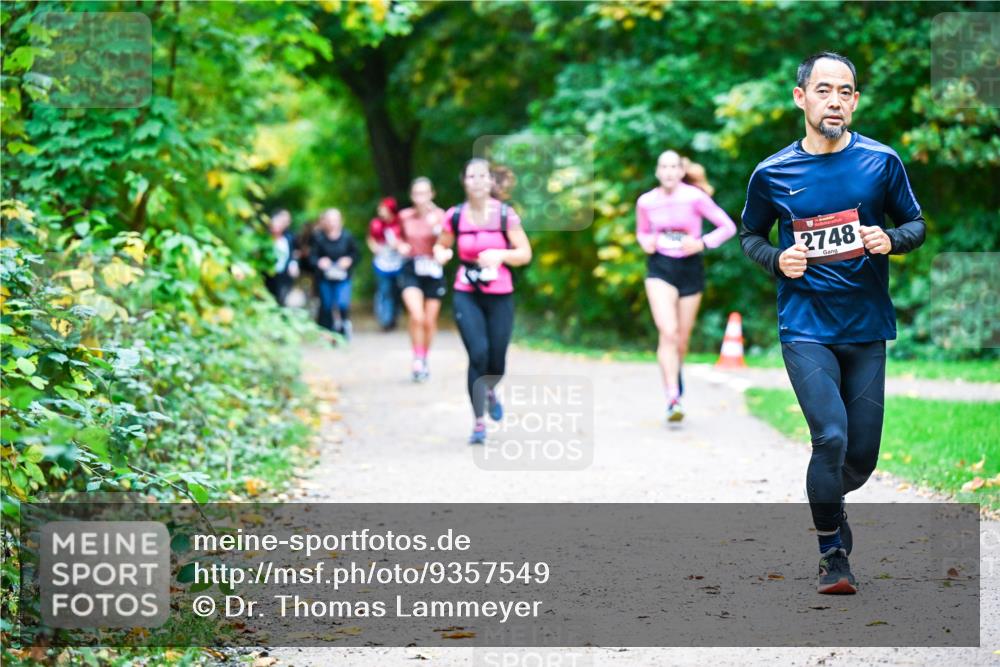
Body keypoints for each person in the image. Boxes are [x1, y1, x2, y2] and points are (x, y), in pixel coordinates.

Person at [740, 52, 926, 594]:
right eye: (824, 90)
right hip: (805, 328)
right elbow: (749, 234)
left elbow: (915, 223)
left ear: (855, 101)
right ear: (801, 97)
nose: (835, 101)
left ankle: (830, 500)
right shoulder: (773, 172)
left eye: (845, 91)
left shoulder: (881, 162)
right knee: (831, 437)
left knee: (860, 458)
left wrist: (890, 239)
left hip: (866, 327)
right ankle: (832, 555)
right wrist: (778, 258)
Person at [636, 150, 737, 423]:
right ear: (657, 171)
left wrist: (702, 243)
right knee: (667, 332)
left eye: (673, 167)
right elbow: (642, 231)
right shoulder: (646, 202)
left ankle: (674, 379)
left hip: (690, 269)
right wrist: (645, 241)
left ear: (681, 171)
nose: (668, 172)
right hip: (660, 268)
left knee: (680, 340)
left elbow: (727, 227)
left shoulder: (694, 197)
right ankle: (672, 396)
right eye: (663, 167)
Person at [438, 159, 532, 444]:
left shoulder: (505, 215)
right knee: (477, 353)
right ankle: (479, 422)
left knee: (496, 360)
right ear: (464, 181)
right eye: (471, 176)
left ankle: (491, 389)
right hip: (467, 291)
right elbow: (442, 245)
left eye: (482, 176)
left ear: (491, 181)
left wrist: (500, 255)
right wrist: (441, 253)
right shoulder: (454, 216)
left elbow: (524, 253)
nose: (477, 181)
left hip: (499, 293)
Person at [396, 178, 448, 382]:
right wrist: (400, 246)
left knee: (429, 320)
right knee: (416, 316)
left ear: (432, 194)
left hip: (433, 269)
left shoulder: (441, 216)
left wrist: (437, 227)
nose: (420, 198)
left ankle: (425, 357)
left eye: (424, 193)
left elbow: (447, 241)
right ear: (411, 196)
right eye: (416, 193)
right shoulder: (404, 216)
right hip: (411, 268)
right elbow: (398, 237)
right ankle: (417, 358)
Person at [311, 208, 360, 340]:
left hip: (343, 277)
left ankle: (344, 327)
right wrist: (320, 262)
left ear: (341, 221)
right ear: (325, 222)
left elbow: (356, 254)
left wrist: (348, 260)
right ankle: (329, 331)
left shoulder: (347, 236)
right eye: (330, 220)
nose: (332, 223)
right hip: (325, 278)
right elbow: (312, 257)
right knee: (327, 305)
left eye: (335, 220)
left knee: (342, 303)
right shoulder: (319, 238)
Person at [367, 197, 404, 331]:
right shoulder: (376, 223)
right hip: (382, 263)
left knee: (397, 291)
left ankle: (394, 317)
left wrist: (399, 244)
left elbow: (406, 239)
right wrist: (374, 247)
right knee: (384, 290)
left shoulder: (400, 223)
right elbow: (371, 239)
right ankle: (385, 319)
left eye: (383, 208)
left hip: (398, 263)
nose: (380, 211)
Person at [264, 209, 300, 306]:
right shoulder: (264, 238)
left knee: (281, 300)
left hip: (284, 275)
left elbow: (294, 253)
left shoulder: (289, 238)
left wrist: (294, 263)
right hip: (267, 275)